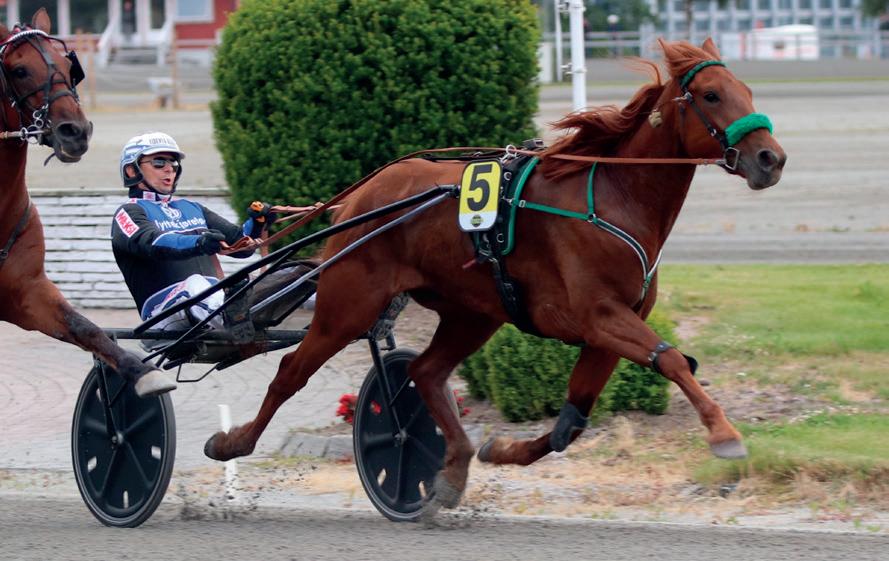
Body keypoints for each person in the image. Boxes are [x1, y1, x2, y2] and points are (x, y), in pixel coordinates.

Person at [111, 132, 273, 335]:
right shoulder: (128, 212)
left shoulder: (192, 207)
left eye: (173, 163)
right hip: (161, 314)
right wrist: (198, 242)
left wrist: (257, 223)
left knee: (280, 276)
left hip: (211, 301)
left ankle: (243, 313)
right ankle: (234, 318)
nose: (169, 168)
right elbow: (152, 242)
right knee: (195, 283)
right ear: (131, 170)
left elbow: (241, 246)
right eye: (159, 162)